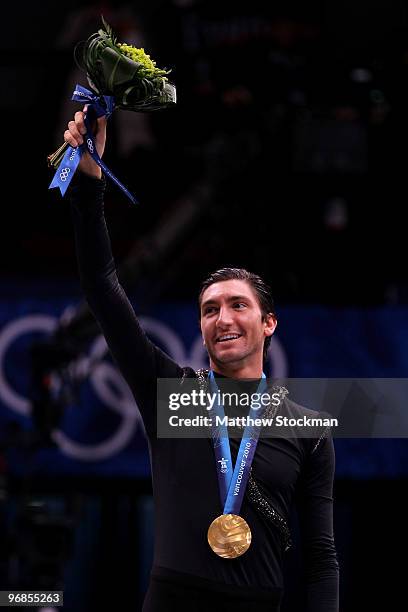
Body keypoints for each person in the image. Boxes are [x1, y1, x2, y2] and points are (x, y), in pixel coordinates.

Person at [64, 110, 339, 611]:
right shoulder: (168, 392)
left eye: (238, 304)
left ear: (269, 323)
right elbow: (102, 288)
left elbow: (321, 559)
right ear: (200, 328)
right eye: (210, 309)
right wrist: (89, 186)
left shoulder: (309, 430)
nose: (223, 317)